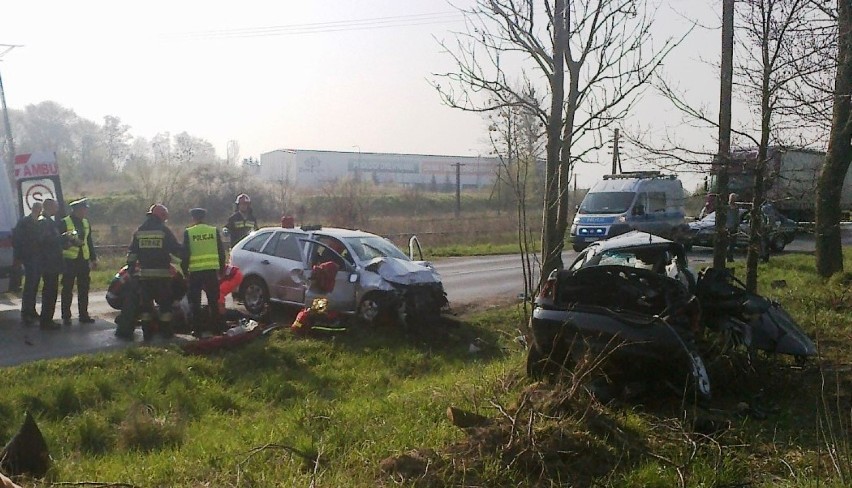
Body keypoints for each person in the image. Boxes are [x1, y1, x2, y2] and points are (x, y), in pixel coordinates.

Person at [117, 204, 185, 341]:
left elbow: (131, 254)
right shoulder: (164, 231)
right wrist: (186, 254)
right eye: (165, 217)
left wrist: (131, 270)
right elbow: (176, 249)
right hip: (162, 277)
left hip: (144, 277)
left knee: (146, 307)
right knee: (165, 306)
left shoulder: (140, 231)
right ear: (161, 216)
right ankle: (166, 332)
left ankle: (147, 333)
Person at [183, 208, 227, 336]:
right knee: (213, 301)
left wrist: (185, 271)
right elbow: (221, 252)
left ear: (193, 218)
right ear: (204, 217)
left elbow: (185, 254)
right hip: (211, 272)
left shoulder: (189, 232)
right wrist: (222, 269)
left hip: (195, 272)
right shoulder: (213, 231)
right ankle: (217, 329)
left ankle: (197, 330)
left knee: (195, 302)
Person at [58, 198, 97, 325]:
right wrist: (70, 243)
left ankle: (83, 314)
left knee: (84, 288)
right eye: (83, 209)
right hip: (69, 260)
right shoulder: (64, 222)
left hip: (83, 260)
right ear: (77, 210)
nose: (85, 211)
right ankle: (66, 315)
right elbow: (60, 241)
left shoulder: (86, 222)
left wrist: (93, 258)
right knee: (67, 288)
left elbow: (89, 241)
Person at [13, 202, 43, 325]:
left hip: (39, 257)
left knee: (35, 285)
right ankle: (26, 313)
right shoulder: (24, 222)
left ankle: (32, 310)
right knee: (29, 286)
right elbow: (17, 240)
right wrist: (18, 257)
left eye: (39, 208)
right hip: (28, 257)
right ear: (33, 209)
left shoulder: (41, 222)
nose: (38, 210)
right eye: (36, 208)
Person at [37, 199, 63, 330]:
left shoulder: (48, 221)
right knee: (50, 292)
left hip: (52, 261)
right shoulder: (44, 222)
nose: (57, 208)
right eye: (55, 206)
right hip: (48, 262)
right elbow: (45, 240)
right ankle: (46, 321)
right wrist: (61, 238)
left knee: (51, 291)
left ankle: (47, 319)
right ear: (49, 207)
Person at [726, 193, 740, 263]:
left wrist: (737, 224)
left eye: (735, 198)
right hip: (728, 227)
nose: (734, 200)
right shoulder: (727, 208)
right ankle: (728, 257)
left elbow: (737, 218)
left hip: (735, 227)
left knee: (733, 243)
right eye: (733, 198)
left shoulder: (736, 207)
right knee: (728, 243)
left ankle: (730, 257)